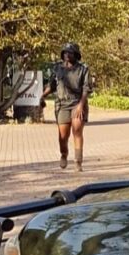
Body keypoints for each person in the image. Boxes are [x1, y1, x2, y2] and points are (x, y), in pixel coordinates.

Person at [41, 43, 92, 172]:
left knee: (77, 131)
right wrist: (42, 95)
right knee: (63, 136)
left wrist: (81, 105)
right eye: (65, 52)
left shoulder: (83, 69)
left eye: (70, 52)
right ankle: (64, 153)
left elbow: (86, 89)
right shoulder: (58, 68)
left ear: (76, 54)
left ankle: (78, 161)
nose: (67, 55)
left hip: (77, 103)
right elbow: (52, 85)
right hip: (62, 105)